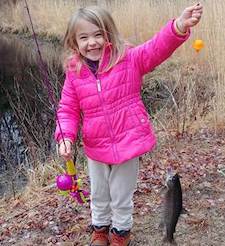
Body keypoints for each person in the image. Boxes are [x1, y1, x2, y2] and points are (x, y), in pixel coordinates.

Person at [55, 3, 203, 246]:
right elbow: (67, 109)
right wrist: (65, 137)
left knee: (122, 197)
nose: (92, 42)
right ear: (74, 43)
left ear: (108, 34)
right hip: (96, 147)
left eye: (98, 34)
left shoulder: (129, 59)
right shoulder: (74, 73)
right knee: (99, 195)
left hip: (128, 144)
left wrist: (178, 27)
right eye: (84, 37)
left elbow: (156, 48)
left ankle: (120, 234)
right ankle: (100, 231)